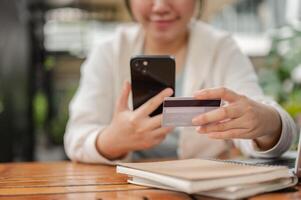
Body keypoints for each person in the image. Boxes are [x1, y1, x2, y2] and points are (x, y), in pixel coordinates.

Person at [64, 0, 297, 164]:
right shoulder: (109, 52)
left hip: (203, 188)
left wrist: (266, 123)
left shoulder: (221, 48)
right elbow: (76, 136)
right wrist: (111, 141)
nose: (160, 6)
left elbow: (273, 125)